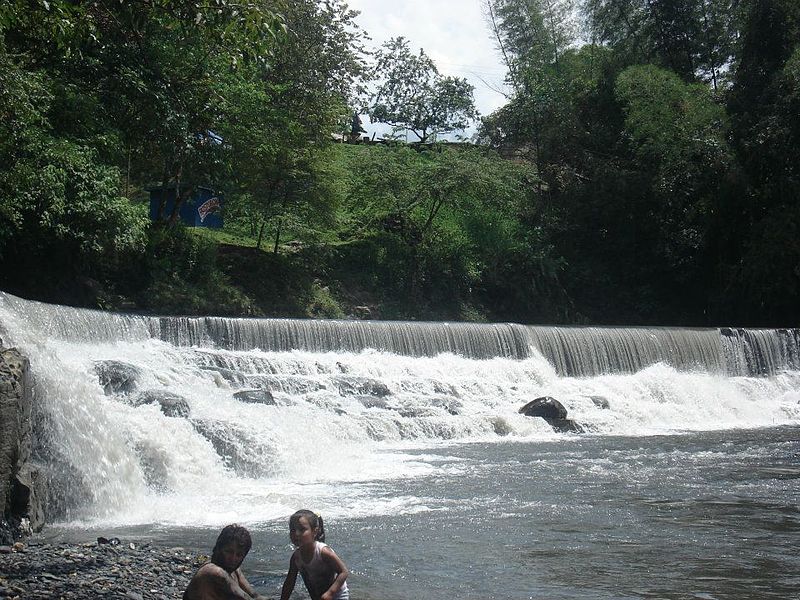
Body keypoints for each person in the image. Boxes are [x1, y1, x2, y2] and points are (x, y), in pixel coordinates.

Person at [280, 510, 349, 600]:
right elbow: (290, 582)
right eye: (293, 530)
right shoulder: (296, 558)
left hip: (337, 596)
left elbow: (343, 572)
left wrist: (330, 593)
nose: (296, 534)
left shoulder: (323, 552)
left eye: (302, 529)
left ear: (315, 531)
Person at [184, 524, 265, 600]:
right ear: (219, 548)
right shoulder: (213, 572)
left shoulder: (235, 570)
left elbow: (255, 595)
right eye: (229, 552)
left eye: (239, 555)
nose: (233, 558)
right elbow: (246, 598)